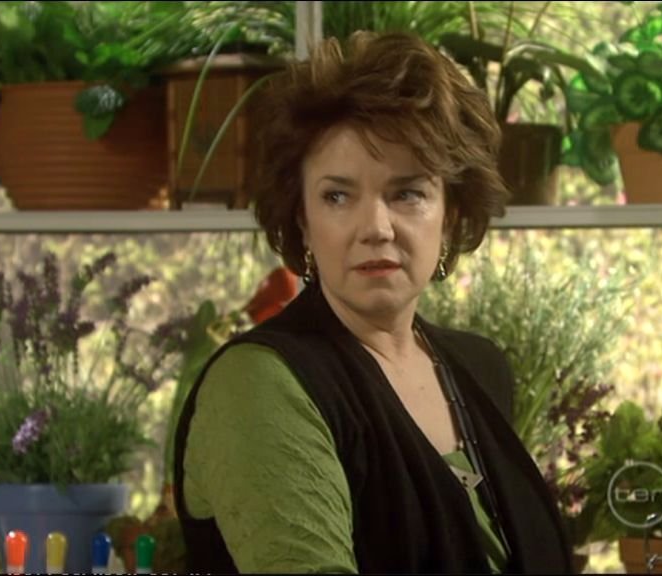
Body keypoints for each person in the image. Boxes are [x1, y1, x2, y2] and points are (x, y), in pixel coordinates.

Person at [172, 31, 573, 574]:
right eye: (337, 196)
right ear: (302, 220)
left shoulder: (481, 369)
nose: (376, 228)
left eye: (407, 193)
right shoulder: (260, 383)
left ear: (450, 214)